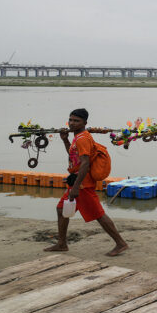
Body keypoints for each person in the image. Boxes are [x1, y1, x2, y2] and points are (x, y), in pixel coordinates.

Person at [44, 108, 127, 256]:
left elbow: (85, 164)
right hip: (76, 181)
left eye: (76, 121)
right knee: (61, 209)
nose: (72, 123)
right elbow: (74, 157)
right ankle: (62, 243)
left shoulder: (83, 138)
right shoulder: (78, 137)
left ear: (85, 123)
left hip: (83, 184)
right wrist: (65, 140)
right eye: (70, 120)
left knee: (98, 214)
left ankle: (120, 243)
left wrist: (75, 188)